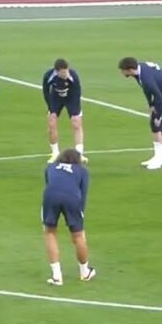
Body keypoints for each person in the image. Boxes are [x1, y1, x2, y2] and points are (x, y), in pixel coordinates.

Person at [41, 149, 96, 286]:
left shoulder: (51, 167)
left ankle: (56, 276)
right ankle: (84, 272)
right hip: (72, 198)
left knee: (49, 232)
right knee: (78, 236)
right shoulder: (82, 171)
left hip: (51, 196)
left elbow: (49, 183)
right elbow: (83, 193)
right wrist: (80, 216)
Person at [118, 57, 162, 169]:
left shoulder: (147, 79)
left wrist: (159, 115)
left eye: (123, 70)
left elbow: (159, 96)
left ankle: (160, 160)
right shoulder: (138, 73)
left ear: (130, 69)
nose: (122, 73)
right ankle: (156, 157)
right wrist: (151, 104)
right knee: (153, 125)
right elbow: (146, 90)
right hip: (159, 94)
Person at [42, 59, 84, 163]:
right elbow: (46, 91)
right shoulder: (49, 76)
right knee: (52, 123)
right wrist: (50, 107)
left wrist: (75, 112)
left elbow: (77, 94)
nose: (65, 74)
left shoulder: (73, 76)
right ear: (57, 71)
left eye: (66, 71)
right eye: (63, 72)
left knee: (76, 123)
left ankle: (79, 154)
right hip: (56, 98)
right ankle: (55, 153)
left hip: (71, 97)